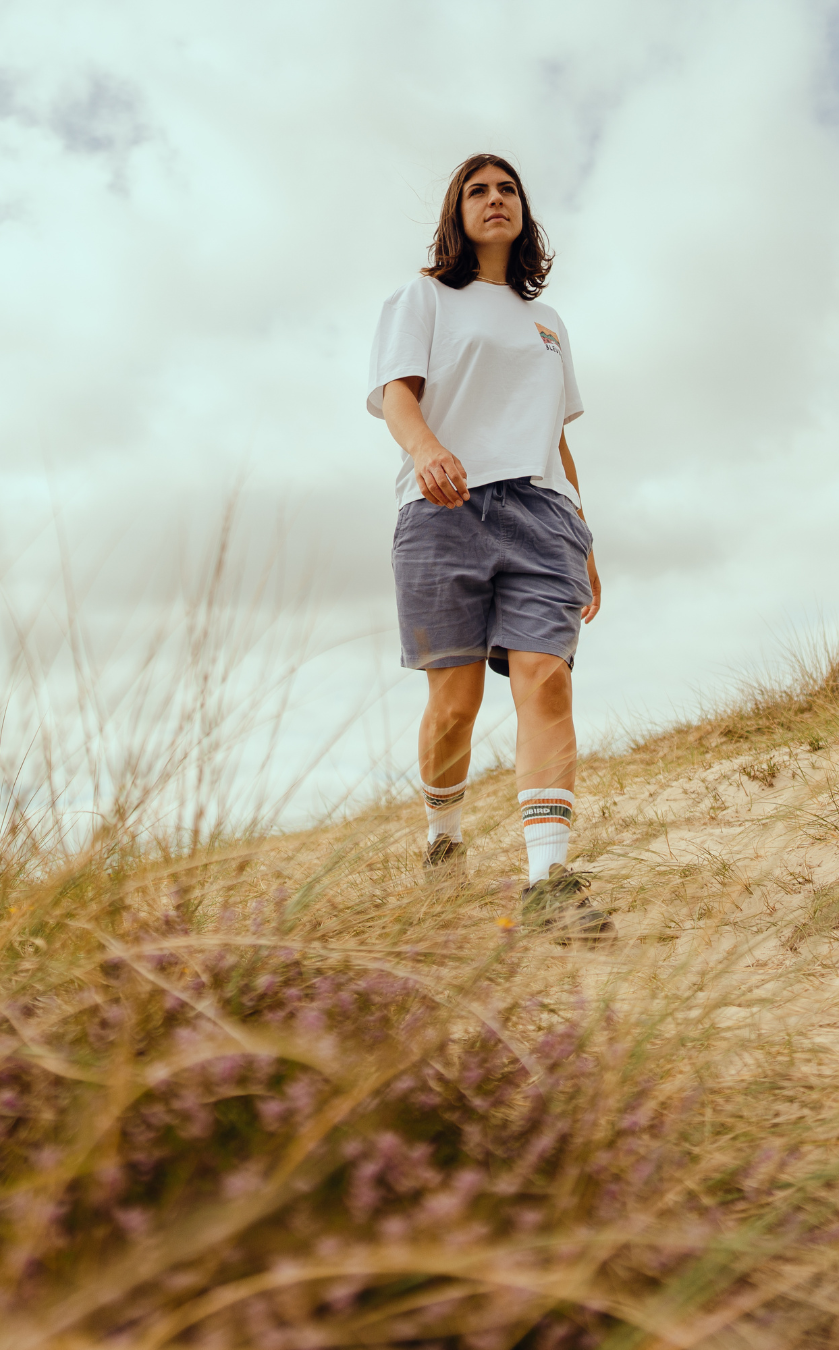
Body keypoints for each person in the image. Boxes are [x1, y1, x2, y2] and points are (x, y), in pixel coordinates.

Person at [367, 153, 613, 940]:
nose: (495, 199)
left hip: (543, 516)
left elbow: (555, 439)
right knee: (454, 707)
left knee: (545, 681)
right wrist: (427, 451)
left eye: (507, 188)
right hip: (442, 510)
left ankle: (549, 881)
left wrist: (586, 539)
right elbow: (397, 395)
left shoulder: (550, 324)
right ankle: (444, 840)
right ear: (458, 212)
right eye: (478, 190)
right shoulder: (424, 299)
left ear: (523, 210)